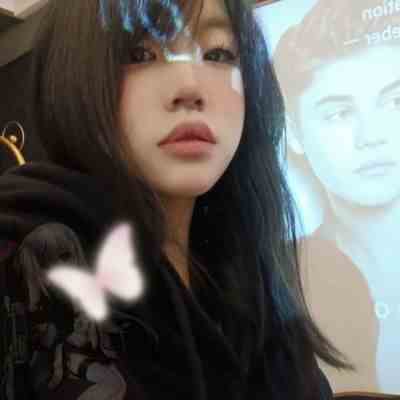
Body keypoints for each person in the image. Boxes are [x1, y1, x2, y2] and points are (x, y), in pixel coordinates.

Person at [0, 0, 351, 399]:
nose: (190, 87)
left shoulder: (246, 280)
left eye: (218, 54)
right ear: (72, 72)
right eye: (140, 54)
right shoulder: (25, 254)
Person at [273, 0, 400, 394]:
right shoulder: (275, 283)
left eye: (394, 102)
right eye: (338, 113)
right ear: (295, 132)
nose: (371, 137)